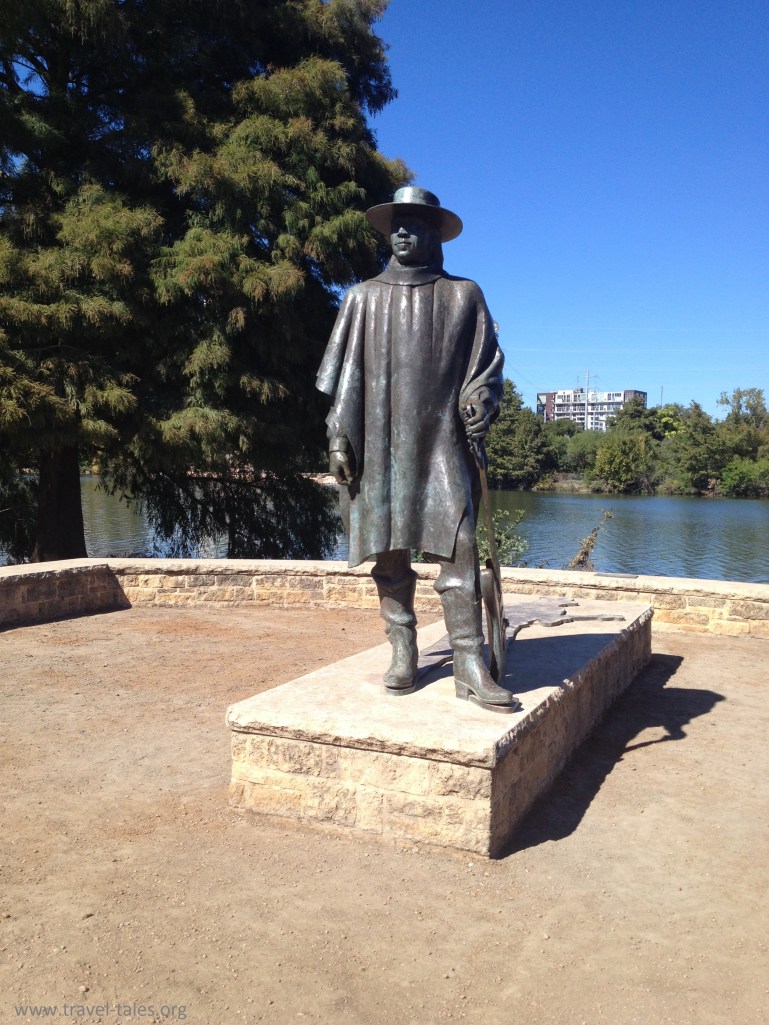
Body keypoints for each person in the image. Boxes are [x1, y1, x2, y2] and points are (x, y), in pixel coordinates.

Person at [316, 186, 514, 711]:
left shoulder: (464, 295)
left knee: (461, 545)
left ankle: (469, 662)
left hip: (441, 443)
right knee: (388, 549)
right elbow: (345, 380)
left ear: (435, 234)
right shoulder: (362, 298)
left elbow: (488, 370)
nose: (403, 233)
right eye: (396, 225)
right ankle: (403, 650)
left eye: (416, 225)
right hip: (378, 442)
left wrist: (480, 398)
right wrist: (339, 436)